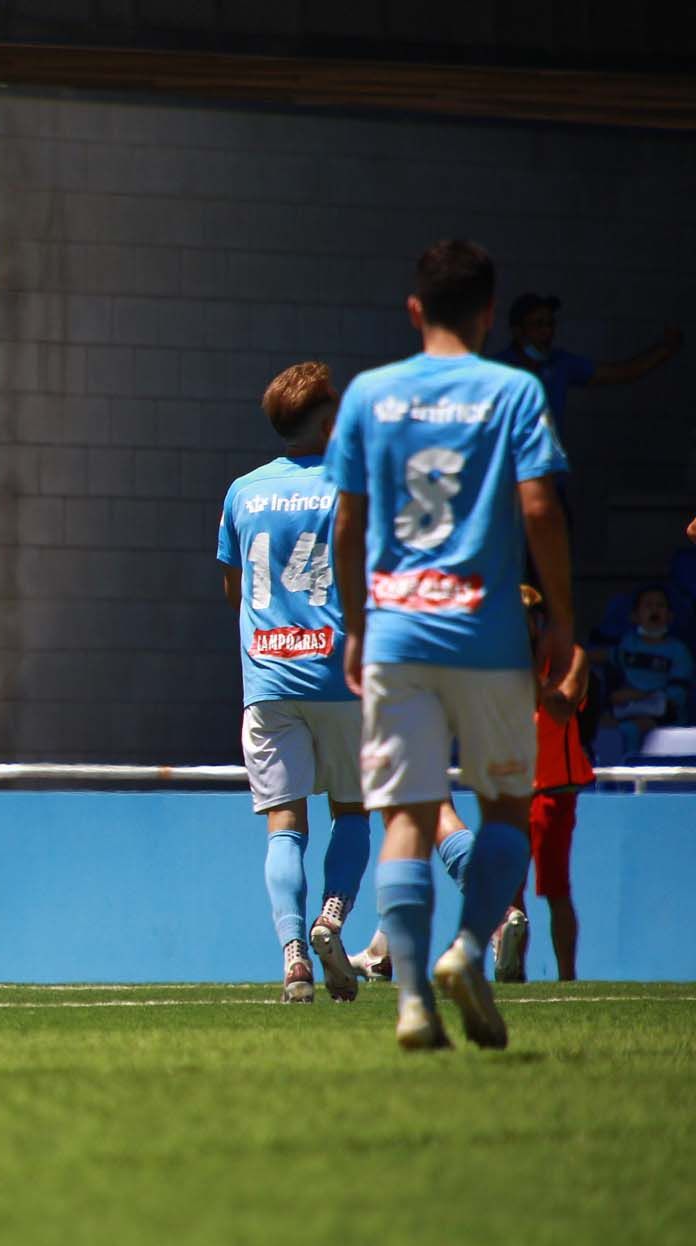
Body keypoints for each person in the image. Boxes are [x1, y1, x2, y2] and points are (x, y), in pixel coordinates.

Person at [328, 239, 572, 1051]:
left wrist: (358, 624)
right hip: (490, 633)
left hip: (398, 632)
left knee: (405, 812)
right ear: (490, 312)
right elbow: (539, 507)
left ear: (414, 309)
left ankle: (407, 1003)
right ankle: (468, 948)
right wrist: (564, 620)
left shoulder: (370, 394)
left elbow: (350, 521)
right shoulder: (513, 389)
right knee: (503, 803)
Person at [216, 362, 370, 1004]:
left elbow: (233, 591)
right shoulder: (350, 486)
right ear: (330, 419)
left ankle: (293, 958)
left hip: (269, 678)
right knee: (354, 811)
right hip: (340, 676)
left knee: (285, 823)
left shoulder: (242, 492)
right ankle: (332, 920)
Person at [497, 584, 593, 983]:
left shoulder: (572, 659)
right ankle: (512, 970)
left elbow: (560, 710)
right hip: (510, 789)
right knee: (509, 892)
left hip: (555, 789)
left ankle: (567, 977)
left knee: (554, 890)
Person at [494, 293, 681, 422]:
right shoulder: (498, 370)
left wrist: (665, 349)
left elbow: (622, 372)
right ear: (518, 331)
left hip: (548, 472)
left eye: (551, 324)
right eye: (538, 324)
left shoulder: (560, 363)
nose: (547, 331)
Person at [593, 584, 692, 757]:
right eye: (648, 605)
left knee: (630, 730)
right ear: (634, 616)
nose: (654, 610)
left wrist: (641, 698)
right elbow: (604, 657)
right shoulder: (628, 645)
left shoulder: (678, 651)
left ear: (670, 616)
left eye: (660, 606)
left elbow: (677, 697)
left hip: (665, 718)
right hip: (624, 713)